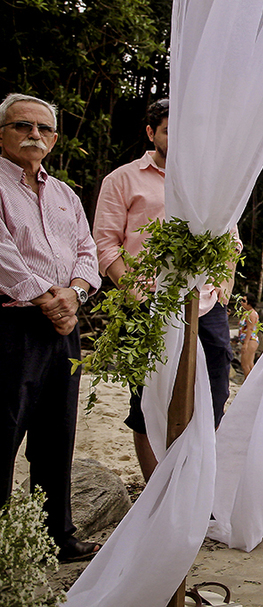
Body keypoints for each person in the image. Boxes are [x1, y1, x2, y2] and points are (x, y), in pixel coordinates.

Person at [92, 98, 239, 483]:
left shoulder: (210, 184)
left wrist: (223, 283)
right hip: (147, 305)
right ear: (151, 133)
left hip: (205, 306)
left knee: (214, 395)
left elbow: (231, 240)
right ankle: (156, 491)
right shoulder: (122, 180)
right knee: (148, 399)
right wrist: (137, 295)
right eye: (170, 131)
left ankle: (195, 486)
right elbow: (106, 246)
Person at [0, 92, 102, 563]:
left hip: (64, 326)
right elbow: (3, 253)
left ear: (55, 139)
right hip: (12, 323)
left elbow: (87, 251)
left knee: (57, 434)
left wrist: (74, 294)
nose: (34, 134)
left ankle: (55, 537)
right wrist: (47, 297)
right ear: (3, 133)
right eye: (23, 125)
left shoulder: (65, 194)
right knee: (4, 430)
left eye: (43, 128)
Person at [235, 295, 261, 378]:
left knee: (245, 365)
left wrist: (245, 343)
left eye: (244, 301)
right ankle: (253, 382)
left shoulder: (251, 314)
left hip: (250, 340)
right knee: (249, 364)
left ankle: (249, 383)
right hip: (249, 340)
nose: (241, 302)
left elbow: (250, 328)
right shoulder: (247, 313)